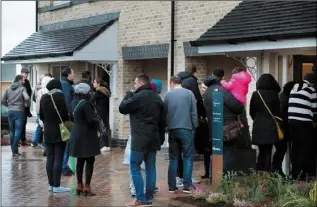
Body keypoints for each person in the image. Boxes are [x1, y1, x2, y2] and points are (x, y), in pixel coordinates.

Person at [119, 74, 165, 207]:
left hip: (139, 139)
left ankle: (140, 198)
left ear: (140, 83)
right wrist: (161, 139)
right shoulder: (157, 98)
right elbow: (163, 122)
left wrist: (128, 95)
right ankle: (149, 198)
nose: (134, 86)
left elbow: (122, 108)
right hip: (153, 138)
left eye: (134, 83)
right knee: (151, 168)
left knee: (135, 167)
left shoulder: (137, 97)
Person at [203, 69, 245, 173]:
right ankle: (225, 179)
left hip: (214, 129)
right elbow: (238, 107)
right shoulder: (222, 91)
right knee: (228, 153)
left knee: (217, 154)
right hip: (227, 129)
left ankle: (216, 178)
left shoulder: (207, 92)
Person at [164, 76, 198, 194]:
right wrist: (194, 126)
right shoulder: (189, 94)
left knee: (173, 158)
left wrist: (167, 126)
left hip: (173, 129)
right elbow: (194, 112)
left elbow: (164, 113)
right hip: (186, 129)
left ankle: (171, 186)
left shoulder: (168, 95)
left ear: (172, 83)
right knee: (188, 157)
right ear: (181, 83)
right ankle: (186, 186)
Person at [177, 65, 206, 187]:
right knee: (188, 152)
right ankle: (186, 179)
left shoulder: (179, 80)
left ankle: (178, 177)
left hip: (176, 121)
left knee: (177, 152)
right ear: (194, 71)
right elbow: (197, 100)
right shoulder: (192, 81)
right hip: (188, 122)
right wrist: (202, 114)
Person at [69, 83, 100, 196]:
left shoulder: (73, 102)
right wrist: (97, 121)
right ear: (86, 93)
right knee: (90, 160)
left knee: (80, 160)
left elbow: (71, 117)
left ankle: (78, 185)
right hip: (87, 134)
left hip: (76, 132)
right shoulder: (86, 103)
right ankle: (87, 187)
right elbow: (90, 120)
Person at [39, 79, 70, 193]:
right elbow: (65, 114)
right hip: (59, 131)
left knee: (50, 158)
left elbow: (41, 115)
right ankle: (57, 185)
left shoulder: (44, 97)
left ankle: (50, 185)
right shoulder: (60, 97)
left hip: (47, 131)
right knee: (58, 158)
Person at [249, 74, 281, 173]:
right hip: (270, 126)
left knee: (261, 151)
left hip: (258, 126)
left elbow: (251, 111)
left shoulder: (255, 94)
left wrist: (258, 120)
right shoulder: (274, 94)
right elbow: (277, 112)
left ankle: (260, 173)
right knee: (268, 150)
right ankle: (267, 173)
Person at [288, 73, 317, 180]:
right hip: (304, 123)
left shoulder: (293, 89)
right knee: (304, 148)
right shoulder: (311, 90)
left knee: (295, 147)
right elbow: (315, 109)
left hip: (292, 122)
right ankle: (302, 174)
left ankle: (294, 173)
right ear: (312, 82)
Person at [2, 75, 30, 155]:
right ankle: (14, 148)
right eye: (23, 80)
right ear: (20, 80)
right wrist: (26, 105)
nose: (24, 82)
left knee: (12, 131)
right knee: (18, 130)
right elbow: (27, 98)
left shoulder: (8, 88)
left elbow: (3, 100)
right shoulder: (22, 88)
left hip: (10, 111)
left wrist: (9, 106)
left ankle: (14, 150)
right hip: (19, 111)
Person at [272, 81, 296, 176]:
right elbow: (282, 114)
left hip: (280, 128)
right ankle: (276, 171)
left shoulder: (282, 96)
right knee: (281, 149)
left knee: (281, 150)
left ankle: (277, 171)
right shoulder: (284, 98)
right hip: (281, 129)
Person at [60, 67, 75, 176]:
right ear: (69, 75)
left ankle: (63, 165)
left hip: (62, 118)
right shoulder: (65, 85)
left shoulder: (62, 83)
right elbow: (67, 103)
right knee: (67, 142)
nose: (74, 75)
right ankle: (63, 166)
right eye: (73, 73)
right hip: (66, 119)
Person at [195, 82, 210, 179]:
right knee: (206, 153)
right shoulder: (200, 100)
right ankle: (207, 172)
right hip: (203, 128)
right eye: (202, 88)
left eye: (205, 88)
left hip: (209, 128)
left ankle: (211, 172)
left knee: (210, 152)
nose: (203, 89)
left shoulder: (209, 99)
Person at [92, 78, 111, 152]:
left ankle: (105, 145)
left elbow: (91, 100)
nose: (93, 83)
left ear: (98, 84)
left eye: (94, 82)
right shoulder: (105, 91)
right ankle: (106, 145)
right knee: (104, 128)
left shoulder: (99, 92)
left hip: (100, 112)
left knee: (101, 129)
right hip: (105, 112)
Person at [20, 68, 32, 146]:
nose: (27, 75)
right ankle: (18, 140)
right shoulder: (18, 81)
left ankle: (23, 140)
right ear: (21, 73)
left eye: (27, 73)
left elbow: (30, 91)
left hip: (26, 106)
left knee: (24, 123)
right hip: (20, 106)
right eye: (25, 73)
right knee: (20, 123)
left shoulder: (27, 82)